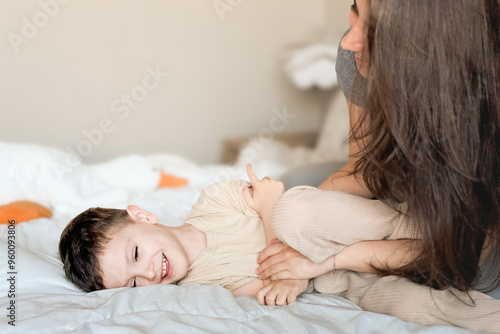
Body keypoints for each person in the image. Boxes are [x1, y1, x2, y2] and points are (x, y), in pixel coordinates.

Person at [257, 0, 500, 331]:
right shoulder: (355, 57)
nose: (349, 41)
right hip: (395, 206)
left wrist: (327, 261)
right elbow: (362, 170)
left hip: (466, 243)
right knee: (294, 191)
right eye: (355, 8)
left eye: (375, 31)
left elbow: (464, 255)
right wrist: (291, 241)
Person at [58, 164, 311, 303]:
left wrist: (269, 207)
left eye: (135, 254)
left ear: (143, 217)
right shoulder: (200, 288)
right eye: (133, 283)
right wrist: (268, 209)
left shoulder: (217, 200)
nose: (148, 273)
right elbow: (279, 285)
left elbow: (283, 204)